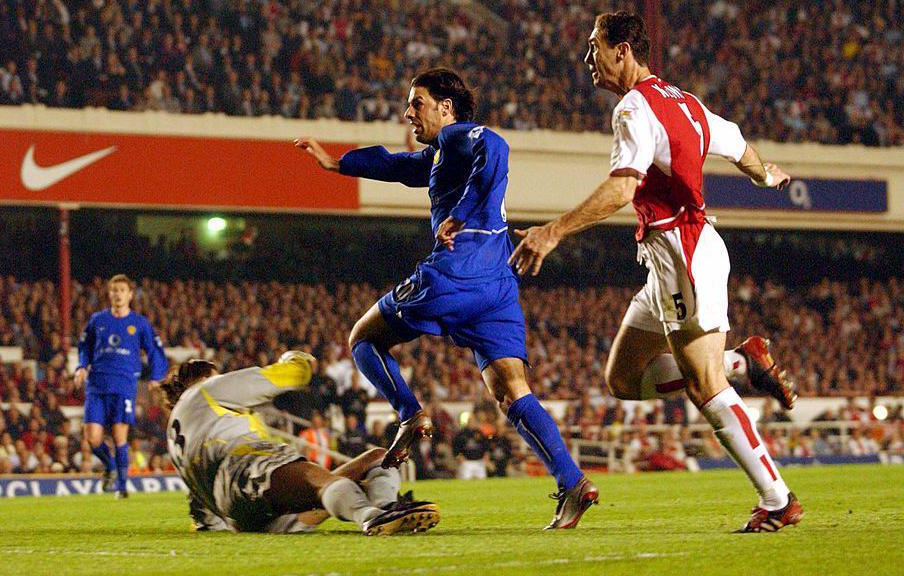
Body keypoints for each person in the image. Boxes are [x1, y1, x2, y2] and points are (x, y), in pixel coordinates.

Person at [510, 11, 803, 533]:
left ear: (622, 50)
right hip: (668, 258)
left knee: (703, 386)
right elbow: (735, 142)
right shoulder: (683, 101)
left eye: (594, 47)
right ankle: (743, 362)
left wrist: (552, 231)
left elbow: (624, 188)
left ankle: (778, 498)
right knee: (622, 378)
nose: (588, 59)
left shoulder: (632, 109)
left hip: (681, 252)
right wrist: (766, 175)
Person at [296, 67, 596, 529]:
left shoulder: (460, 135)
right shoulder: (441, 156)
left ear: (445, 107)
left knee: (362, 338)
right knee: (511, 391)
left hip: (456, 274)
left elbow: (496, 148)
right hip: (497, 287)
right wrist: (339, 164)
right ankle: (573, 482)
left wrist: (457, 214)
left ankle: (409, 415)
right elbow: (396, 166)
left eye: (416, 102)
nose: (407, 112)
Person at [162, 352, 439, 535]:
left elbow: (202, 518)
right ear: (199, 379)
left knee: (378, 457)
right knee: (314, 477)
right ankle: (371, 515)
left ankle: (388, 509)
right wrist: (296, 359)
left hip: (249, 520)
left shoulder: (178, 437)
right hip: (244, 468)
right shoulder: (205, 390)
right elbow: (288, 375)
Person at [72, 274, 168, 498]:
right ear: (109, 293)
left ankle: (123, 487)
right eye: (114, 290)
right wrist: (81, 366)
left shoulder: (139, 323)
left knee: (119, 436)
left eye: (122, 291)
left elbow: (155, 350)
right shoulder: (97, 320)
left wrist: (156, 376)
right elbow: (84, 346)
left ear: (130, 295)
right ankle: (111, 468)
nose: (117, 294)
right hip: (96, 384)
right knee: (92, 438)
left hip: (124, 385)